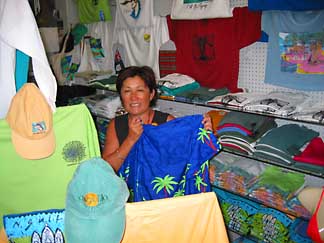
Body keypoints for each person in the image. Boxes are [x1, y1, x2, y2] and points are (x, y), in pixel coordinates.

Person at [102, 66, 212, 172]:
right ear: (121, 96)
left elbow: (188, 156)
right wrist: (131, 139)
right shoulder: (116, 124)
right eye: (127, 91)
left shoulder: (167, 122)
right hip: (125, 189)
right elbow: (106, 169)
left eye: (140, 90)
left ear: (151, 94)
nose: (133, 97)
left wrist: (203, 133)